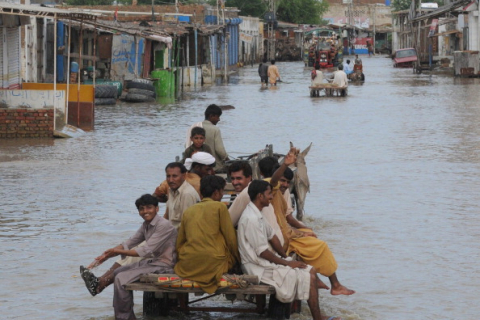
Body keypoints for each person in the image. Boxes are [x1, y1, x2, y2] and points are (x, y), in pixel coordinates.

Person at [258, 156, 355, 296]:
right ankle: (335, 285)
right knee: (320, 245)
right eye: (283, 181)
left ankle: (318, 278)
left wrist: (302, 231)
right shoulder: (271, 190)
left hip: (284, 233)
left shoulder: (280, 194)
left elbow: (285, 220)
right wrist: (285, 164)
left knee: (309, 234)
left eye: (288, 182)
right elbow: (274, 182)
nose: (285, 185)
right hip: (281, 237)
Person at [237, 180, 326, 320]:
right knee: (307, 275)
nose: (272, 197)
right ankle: (318, 318)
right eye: (269, 194)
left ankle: (317, 316)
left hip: (264, 262)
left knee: (310, 270)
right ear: (260, 196)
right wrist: (287, 264)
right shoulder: (251, 218)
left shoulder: (258, 214)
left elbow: (272, 237)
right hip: (255, 267)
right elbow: (262, 252)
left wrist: (285, 257)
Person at [80, 194, 177, 320]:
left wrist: (116, 251)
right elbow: (130, 242)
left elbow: (145, 250)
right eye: (142, 209)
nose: (145, 211)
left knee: (121, 278)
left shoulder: (163, 225)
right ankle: (100, 288)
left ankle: (124, 317)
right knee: (118, 271)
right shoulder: (146, 225)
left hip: (165, 265)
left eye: (149, 207)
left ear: (157, 209)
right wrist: (106, 256)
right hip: (155, 262)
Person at [175, 175, 240, 293]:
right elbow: (230, 238)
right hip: (214, 263)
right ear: (216, 193)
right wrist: (238, 259)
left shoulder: (189, 211)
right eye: (221, 192)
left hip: (188, 263)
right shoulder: (220, 207)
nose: (221, 196)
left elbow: (180, 243)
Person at [164, 162, 200, 229]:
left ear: (183, 176)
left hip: (180, 236)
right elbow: (168, 217)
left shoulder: (187, 194)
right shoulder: (171, 190)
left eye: (174, 176)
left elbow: (187, 224)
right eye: (168, 176)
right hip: (171, 232)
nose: (171, 180)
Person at [202, 104, 228, 172]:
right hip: (214, 168)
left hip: (199, 167)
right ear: (211, 116)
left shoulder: (195, 127)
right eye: (218, 117)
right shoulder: (215, 129)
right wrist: (227, 159)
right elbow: (220, 150)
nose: (219, 119)